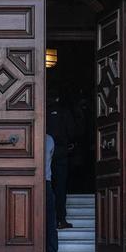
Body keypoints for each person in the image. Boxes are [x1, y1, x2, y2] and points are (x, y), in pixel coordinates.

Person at [46, 92, 77, 229]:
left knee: (47, 185)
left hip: (44, 151)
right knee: (60, 187)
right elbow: (72, 131)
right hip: (61, 152)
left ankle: (45, 219)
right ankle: (60, 219)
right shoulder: (64, 112)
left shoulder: (42, 112)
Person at [44, 133, 61, 252]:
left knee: (50, 221)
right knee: (50, 222)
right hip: (45, 182)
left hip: (45, 182)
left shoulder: (49, 139)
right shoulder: (49, 139)